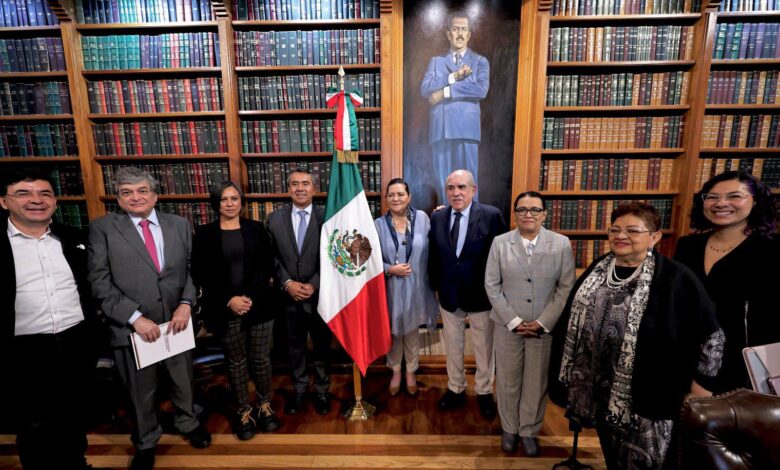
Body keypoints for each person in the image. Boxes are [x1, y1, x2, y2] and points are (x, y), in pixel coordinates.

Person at [549, 202, 724, 469]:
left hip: (648, 390)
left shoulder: (676, 277)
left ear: (654, 237)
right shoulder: (599, 268)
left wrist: (701, 389)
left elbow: (712, 335)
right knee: (611, 450)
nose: (621, 236)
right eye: (615, 229)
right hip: (601, 387)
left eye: (633, 230)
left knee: (646, 459)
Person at [87, 167, 210, 470]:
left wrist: (185, 303)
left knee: (183, 381)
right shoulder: (102, 228)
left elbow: (195, 270)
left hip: (176, 322)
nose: (136, 197)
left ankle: (188, 422)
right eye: (127, 192)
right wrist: (134, 317)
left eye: (142, 190)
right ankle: (145, 441)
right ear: (118, 198)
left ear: (155, 195)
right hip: (133, 328)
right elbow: (99, 281)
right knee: (141, 391)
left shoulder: (179, 224)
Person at [0, 169, 95, 470]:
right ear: (4, 202)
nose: (36, 200)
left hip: (75, 341)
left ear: (54, 201)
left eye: (45, 194)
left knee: (74, 415)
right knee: (34, 424)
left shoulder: (74, 238)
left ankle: (76, 464)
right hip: (23, 349)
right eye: (23, 193)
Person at [485, 191, 575, 457]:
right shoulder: (500, 243)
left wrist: (543, 321)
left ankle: (529, 431)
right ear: (515, 214)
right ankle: (510, 430)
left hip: (543, 328)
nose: (528, 214)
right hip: (507, 325)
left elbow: (566, 286)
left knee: (536, 383)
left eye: (534, 210)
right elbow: (491, 285)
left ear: (544, 214)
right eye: (522, 210)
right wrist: (512, 320)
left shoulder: (560, 244)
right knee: (508, 380)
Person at [674, 171, 780, 394]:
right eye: (711, 197)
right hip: (687, 355)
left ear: (756, 201)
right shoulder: (688, 246)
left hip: (744, 361)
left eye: (734, 196)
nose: (721, 203)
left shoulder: (772, 249)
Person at [192, 182, 279, 441]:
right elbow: (201, 273)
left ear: (241, 202)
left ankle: (265, 406)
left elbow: (266, 267)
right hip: (224, 308)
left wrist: (248, 297)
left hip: (259, 306)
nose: (230, 203)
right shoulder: (204, 234)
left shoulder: (256, 229)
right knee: (236, 362)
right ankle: (244, 411)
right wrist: (229, 299)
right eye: (224, 199)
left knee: (261, 359)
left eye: (234, 198)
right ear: (216, 203)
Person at [428, 169, 504, 419]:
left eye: (461, 187)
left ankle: (483, 392)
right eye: (451, 188)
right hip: (449, 294)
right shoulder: (438, 218)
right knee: (453, 346)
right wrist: (435, 286)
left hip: (482, 295)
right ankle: (455, 388)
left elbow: (501, 256)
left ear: (474, 190)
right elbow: (435, 255)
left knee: (484, 348)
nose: (456, 192)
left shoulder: (492, 216)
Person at [267, 168, 331, 415]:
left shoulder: (327, 217)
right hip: (289, 297)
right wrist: (287, 283)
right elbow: (270, 256)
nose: (300, 188)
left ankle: (323, 390)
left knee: (322, 346)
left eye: (305, 183)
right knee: (294, 346)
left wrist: (314, 282)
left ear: (314, 189)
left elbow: (333, 254)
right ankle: (301, 389)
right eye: (295, 184)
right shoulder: (274, 219)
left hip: (320, 295)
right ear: (288, 189)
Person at [374, 178, 439, 396]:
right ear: (386, 199)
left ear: (409, 197)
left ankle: (411, 371)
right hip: (390, 288)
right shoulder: (378, 225)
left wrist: (442, 215)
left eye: (400, 194)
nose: (396, 198)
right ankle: (395, 371)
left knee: (411, 331)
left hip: (417, 287)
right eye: (391, 195)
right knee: (393, 332)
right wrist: (390, 269)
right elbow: (370, 259)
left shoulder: (422, 218)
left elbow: (436, 243)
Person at [420, 11, 490, 202]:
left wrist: (445, 93)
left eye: (464, 29)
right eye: (456, 29)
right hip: (441, 131)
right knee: (443, 180)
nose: (460, 33)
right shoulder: (436, 62)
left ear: (469, 35)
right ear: (448, 33)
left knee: (468, 181)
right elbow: (425, 88)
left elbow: (480, 89)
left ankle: (472, 224)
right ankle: (446, 223)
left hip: (466, 130)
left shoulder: (479, 61)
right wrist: (454, 77)